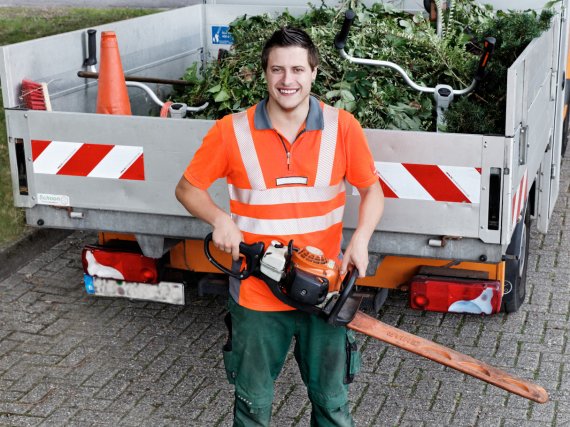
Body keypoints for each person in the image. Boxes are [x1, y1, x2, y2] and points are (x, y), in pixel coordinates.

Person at [175, 26, 384, 426]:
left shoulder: (343, 128)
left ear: (314, 73)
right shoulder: (230, 131)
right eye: (277, 70)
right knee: (253, 406)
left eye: (297, 70)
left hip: (325, 291)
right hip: (256, 296)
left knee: (332, 404)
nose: (288, 80)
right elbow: (187, 189)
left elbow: (372, 192)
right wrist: (219, 218)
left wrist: (361, 238)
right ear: (265, 74)